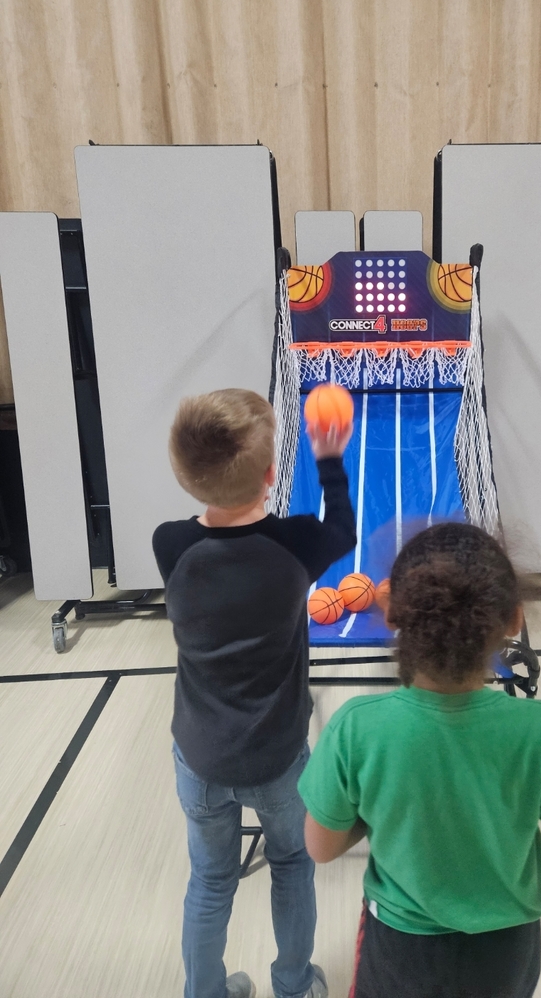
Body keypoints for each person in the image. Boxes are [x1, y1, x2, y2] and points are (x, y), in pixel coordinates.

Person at [298, 521, 541, 998]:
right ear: (513, 620)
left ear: (394, 617)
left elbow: (320, 848)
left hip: (400, 946)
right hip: (506, 952)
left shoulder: (356, 728)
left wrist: (380, 807)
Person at [153, 388, 356, 998]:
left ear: (186, 476)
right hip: (276, 754)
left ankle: (205, 992)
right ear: (271, 475)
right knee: (292, 865)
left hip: (199, 755)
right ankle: (294, 985)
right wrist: (328, 457)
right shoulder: (297, 542)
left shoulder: (171, 544)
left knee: (210, 881)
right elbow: (342, 527)